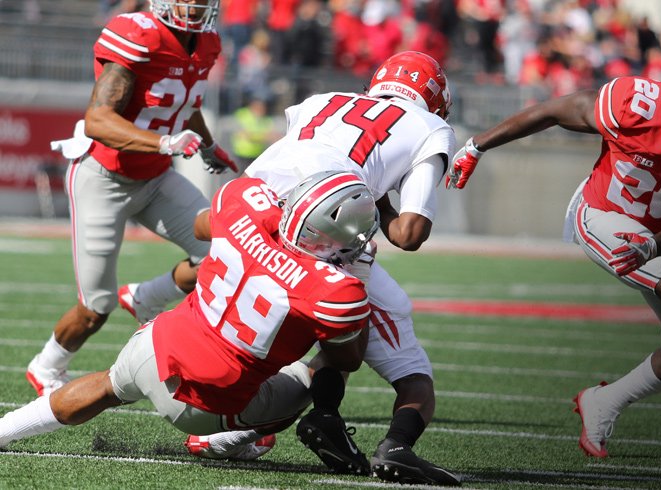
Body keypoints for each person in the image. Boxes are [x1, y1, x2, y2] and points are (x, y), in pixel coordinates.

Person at [447, 34, 661, 458]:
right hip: (601, 214)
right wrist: (477, 144)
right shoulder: (633, 104)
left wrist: (650, 246)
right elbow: (552, 111)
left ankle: (605, 401)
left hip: (658, 232)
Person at [0, 171, 378, 463]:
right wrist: (358, 274)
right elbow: (348, 359)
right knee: (308, 379)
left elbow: (201, 228)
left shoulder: (243, 203)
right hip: (206, 409)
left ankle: (4, 430)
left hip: (155, 346)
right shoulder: (335, 291)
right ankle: (221, 442)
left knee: (106, 386)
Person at [243, 51, 461, 485]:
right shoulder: (429, 127)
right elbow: (409, 233)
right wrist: (377, 191)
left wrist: (372, 179)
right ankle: (393, 443)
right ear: (434, 99)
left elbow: (313, 156)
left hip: (249, 206)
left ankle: (238, 430)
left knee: (242, 322)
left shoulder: (321, 99)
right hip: (324, 223)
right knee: (369, 339)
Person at [27, 0, 239, 398]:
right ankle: (46, 366)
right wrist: (164, 142)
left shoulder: (206, 42)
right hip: (103, 178)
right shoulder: (138, 34)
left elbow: (184, 105)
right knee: (95, 309)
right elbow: (98, 119)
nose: (193, 7)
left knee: (224, 251)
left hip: (156, 177)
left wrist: (208, 145)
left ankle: (146, 297)